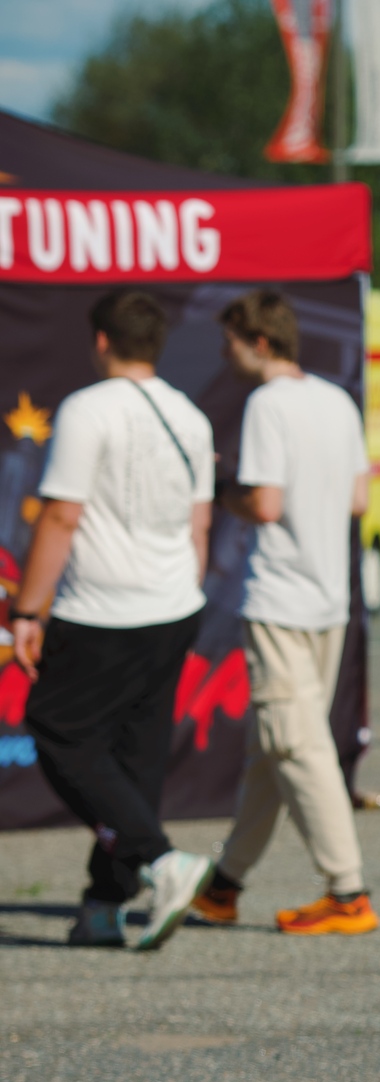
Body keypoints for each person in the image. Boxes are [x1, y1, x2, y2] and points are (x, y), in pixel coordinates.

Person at [9, 289, 217, 949]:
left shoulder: (88, 409)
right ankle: (104, 903)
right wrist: (181, 590)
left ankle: (161, 860)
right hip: (174, 603)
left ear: (101, 341)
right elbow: (200, 525)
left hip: (102, 608)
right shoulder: (190, 416)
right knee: (137, 756)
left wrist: (27, 611)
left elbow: (61, 516)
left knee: (59, 729)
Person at [188, 291, 377, 937]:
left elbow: (265, 504)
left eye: (231, 342)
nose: (226, 354)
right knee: (273, 747)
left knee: (295, 745)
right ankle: (224, 885)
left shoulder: (267, 403)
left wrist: (222, 489)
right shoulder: (337, 400)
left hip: (280, 599)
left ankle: (347, 890)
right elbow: (358, 498)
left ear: (258, 342)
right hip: (327, 599)